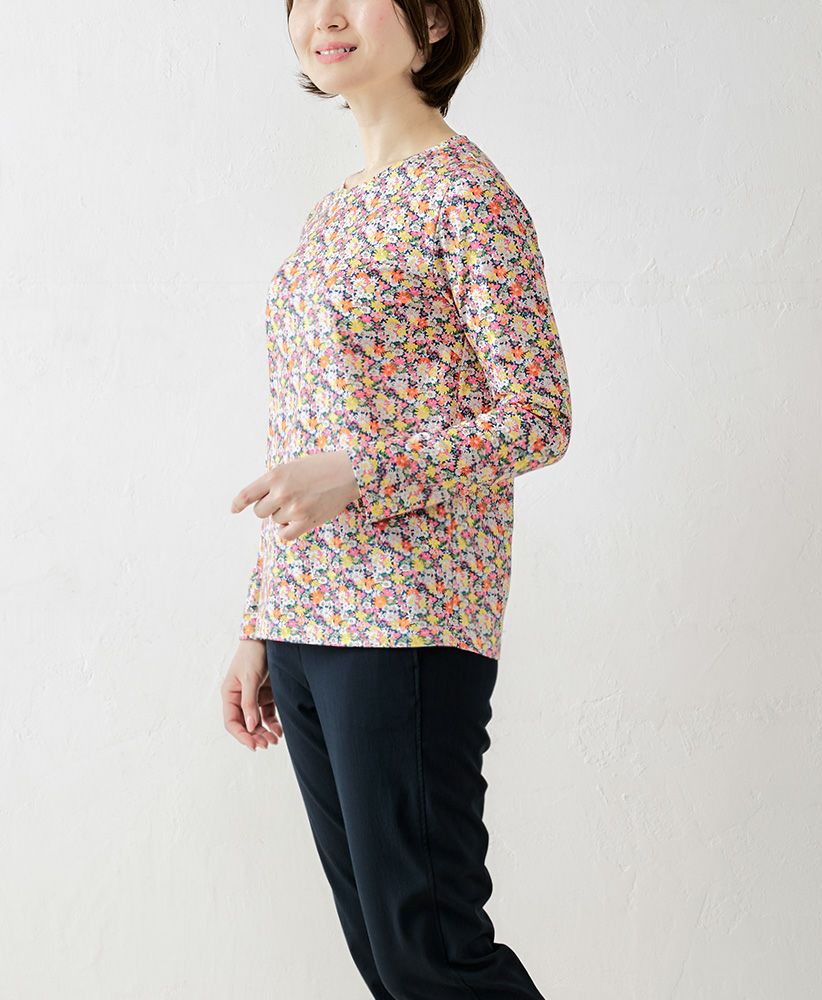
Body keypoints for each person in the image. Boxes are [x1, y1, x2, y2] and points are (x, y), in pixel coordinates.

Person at [221, 2, 571, 996]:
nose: (323, 16)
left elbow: (538, 416)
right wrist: (260, 619)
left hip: (409, 617)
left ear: (433, 21)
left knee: (434, 953)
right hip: (308, 621)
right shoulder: (333, 213)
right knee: (388, 962)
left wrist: (361, 475)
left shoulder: (469, 197)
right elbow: (304, 427)